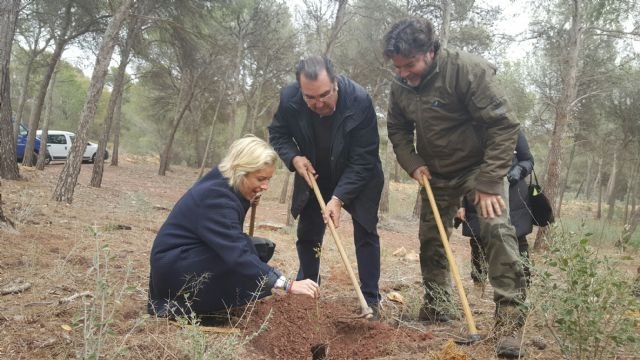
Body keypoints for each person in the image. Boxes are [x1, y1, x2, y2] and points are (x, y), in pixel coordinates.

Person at [383, 18, 527, 358]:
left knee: (495, 229)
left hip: (480, 167)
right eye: (398, 67)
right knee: (431, 238)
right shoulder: (400, 84)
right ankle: (438, 306)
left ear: (430, 52)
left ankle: (509, 325)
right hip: (434, 172)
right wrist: (413, 162)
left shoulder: (467, 70)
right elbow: (397, 130)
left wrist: (491, 181)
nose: (404, 73)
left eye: (411, 65)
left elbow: (504, 126)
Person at [148, 135, 319, 318]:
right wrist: (287, 284)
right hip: (176, 273)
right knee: (248, 260)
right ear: (241, 171)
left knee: (260, 250)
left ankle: (213, 304)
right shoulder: (216, 198)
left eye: (268, 179)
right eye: (260, 179)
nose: (265, 186)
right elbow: (236, 250)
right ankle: (182, 307)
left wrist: (248, 196)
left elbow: (230, 229)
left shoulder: (224, 180)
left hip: (184, 260)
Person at [268, 55, 384, 317]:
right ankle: (309, 287)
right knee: (308, 231)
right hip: (315, 172)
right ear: (300, 91)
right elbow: (278, 134)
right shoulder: (289, 99)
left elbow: (364, 158)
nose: (319, 104)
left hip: (358, 172)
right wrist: (294, 158)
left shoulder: (360, 100)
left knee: (366, 231)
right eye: (310, 98)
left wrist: (339, 198)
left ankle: (370, 299)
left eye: (324, 95)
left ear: (336, 83)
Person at [458, 130, 535, 286]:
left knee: (518, 242)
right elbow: (459, 170)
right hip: (477, 195)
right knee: (478, 242)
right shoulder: (467, 130)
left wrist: (519, 170)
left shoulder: (513, 130)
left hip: (514, 199)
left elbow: (527, 160)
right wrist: (460, 203)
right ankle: (478, 285)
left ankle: (523, 285)